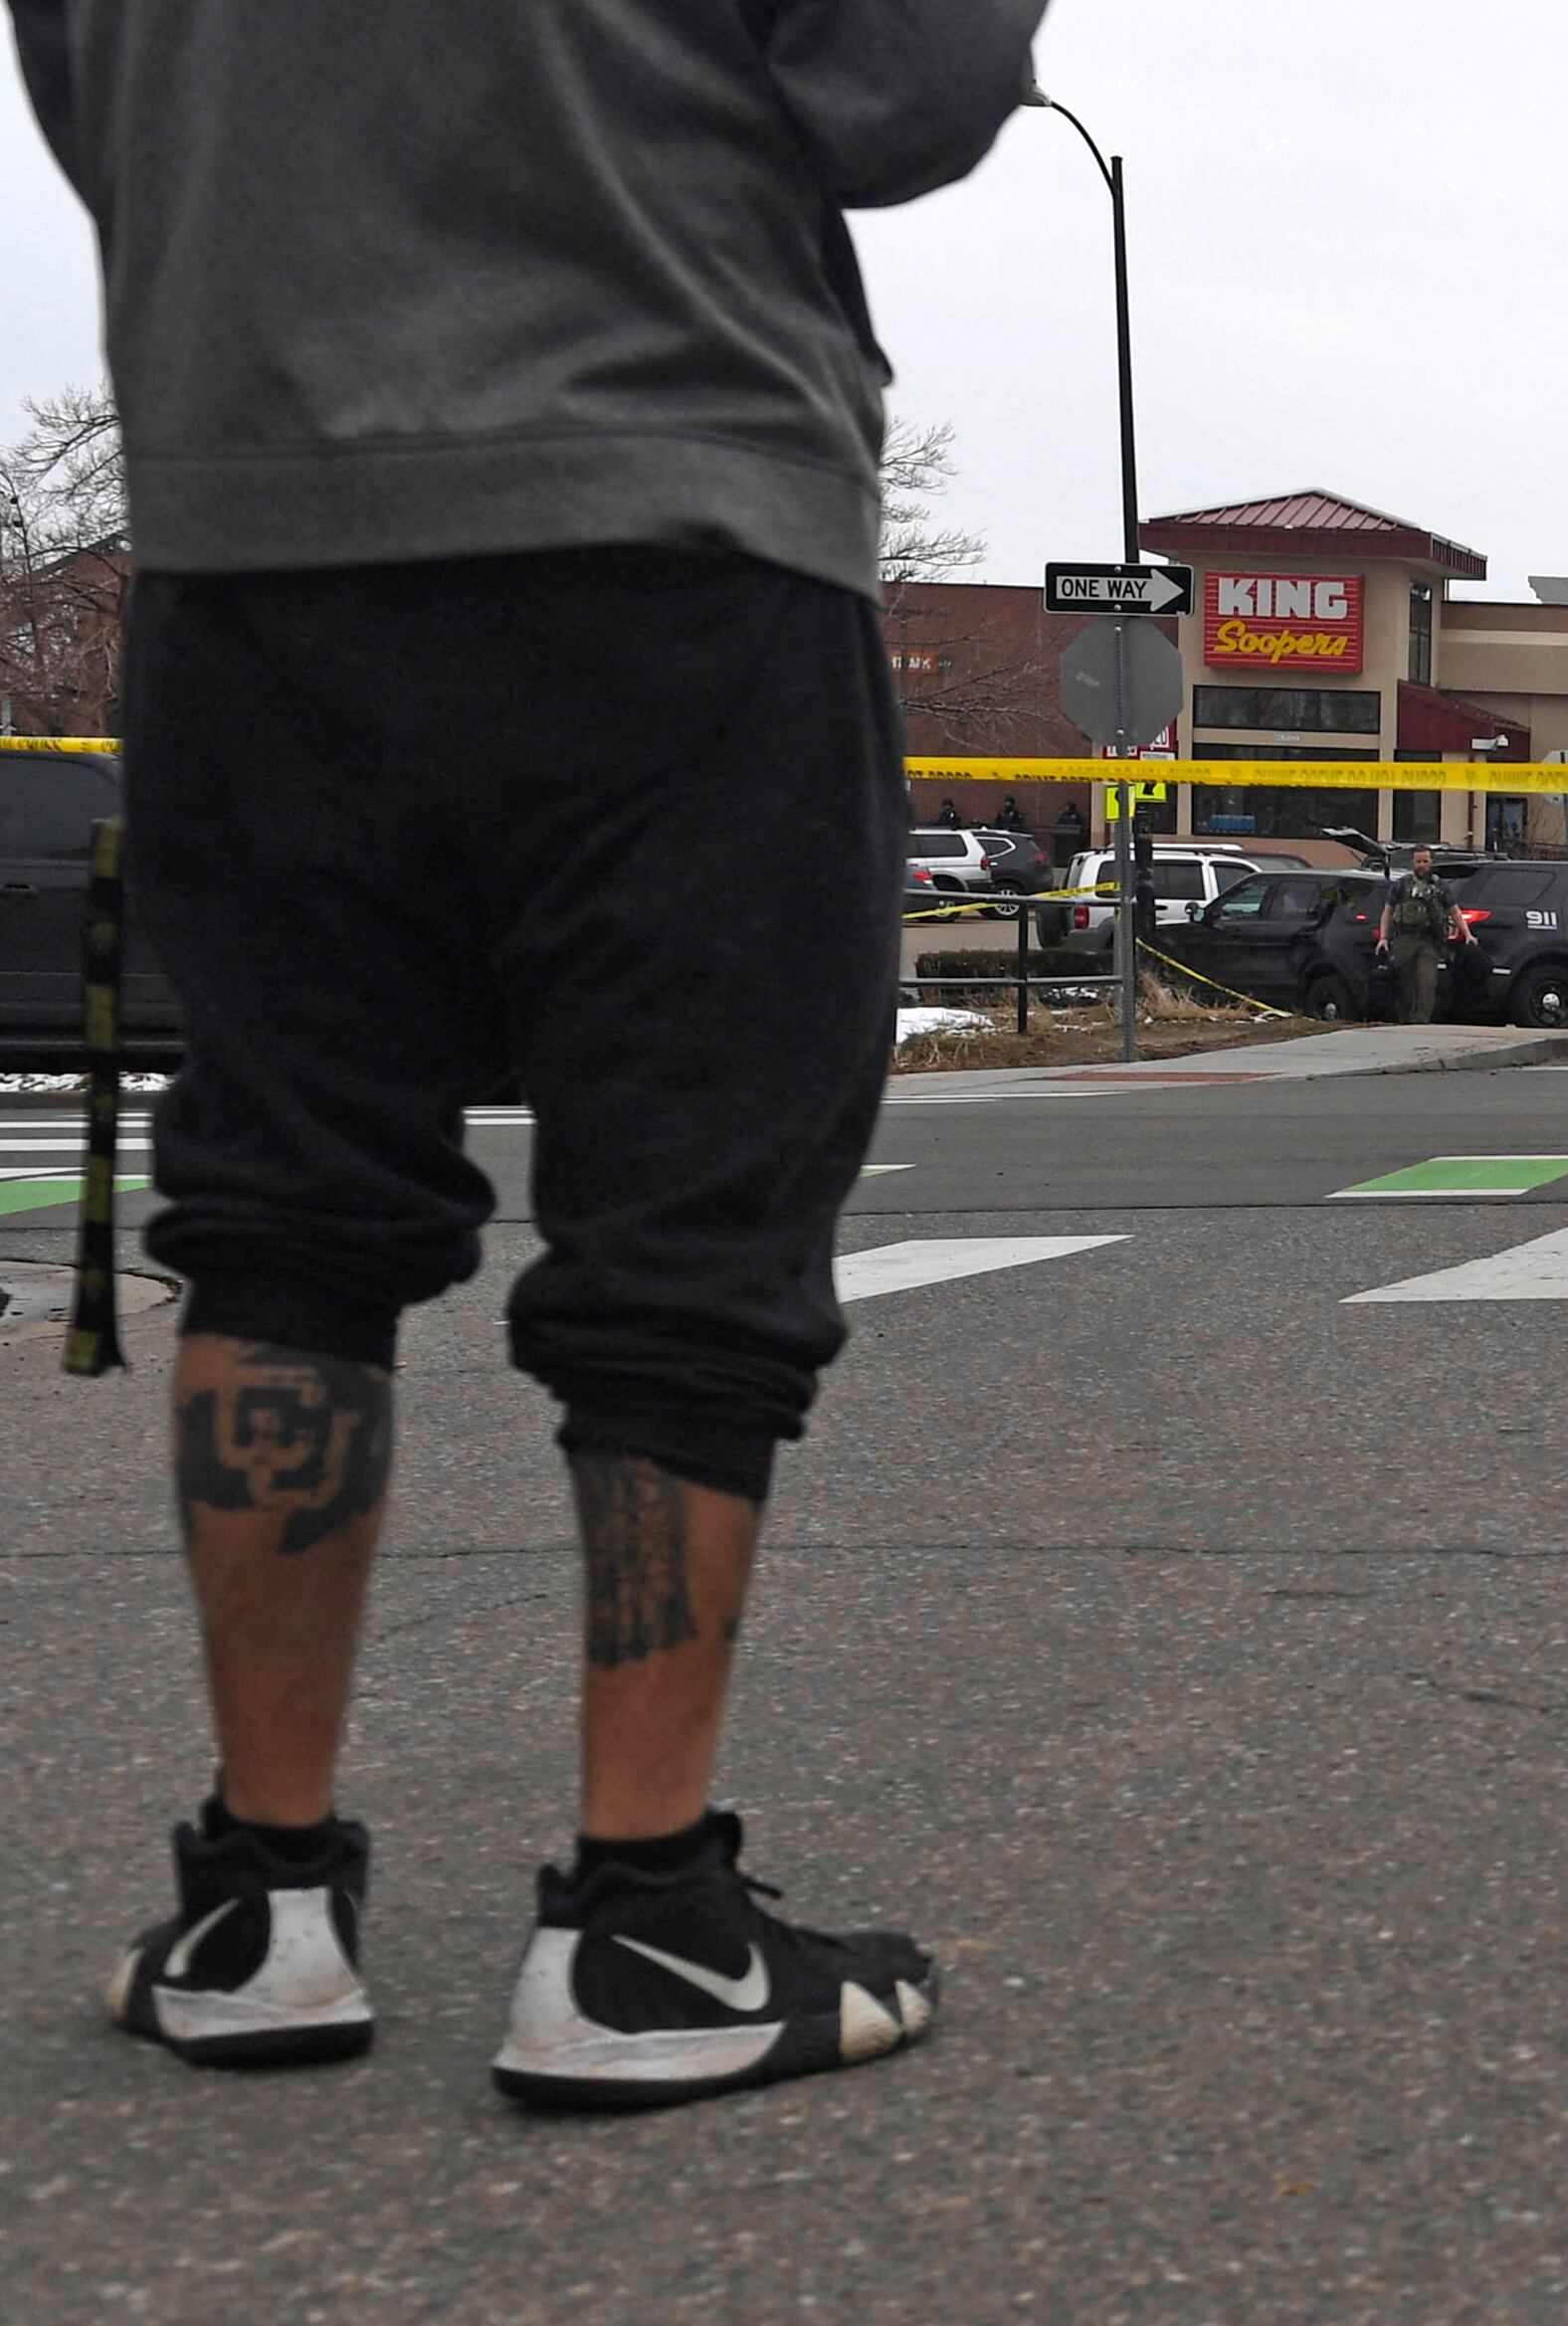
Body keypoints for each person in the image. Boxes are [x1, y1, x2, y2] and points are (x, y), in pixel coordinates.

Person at [18, 0, 1047, 2107]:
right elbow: (908, 97)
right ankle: (646, 1922)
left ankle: (256, 1906)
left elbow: (92, 100)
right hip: (669, 511)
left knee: (282, 1202)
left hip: (255, 518)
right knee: (685, 1215)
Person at [1376, 845, 1465, 1025]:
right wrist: (1383, 938)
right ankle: (1405, 1020)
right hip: (1404, 938)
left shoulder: (1439, 886)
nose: (1422, 865)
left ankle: (1422, 1021)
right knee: (1404, 981)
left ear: (1431, 862)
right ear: (1413, 863)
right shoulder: (1402, 885)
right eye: (1418, 861)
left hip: (1429, 940)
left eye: (1425, 861)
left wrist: (1467, 934)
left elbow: (1454, 911)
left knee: (1427, 981)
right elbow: (1388, 911)